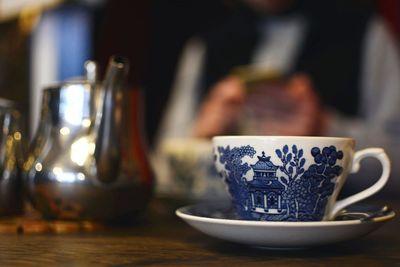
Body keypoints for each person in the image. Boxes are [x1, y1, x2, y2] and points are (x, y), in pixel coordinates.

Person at [155, 0, 400, 195]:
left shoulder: (367, 33)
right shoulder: (204, 47)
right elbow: (158, 171)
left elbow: (394, 164)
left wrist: (325, 128)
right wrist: (200, 135)